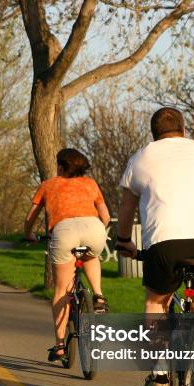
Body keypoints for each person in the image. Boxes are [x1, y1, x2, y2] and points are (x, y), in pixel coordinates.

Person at [115, 107, 194, 386]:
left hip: (166, 241)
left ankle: (160, 372)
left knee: (157, 302)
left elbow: (127, 206)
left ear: (153, 133)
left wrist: (124, 240)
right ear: (183, 128)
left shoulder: (142, 157)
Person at [24, 148, 111, 361]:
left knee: (62, 289)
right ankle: (98, 296)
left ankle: (60, 345)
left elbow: (30, 218)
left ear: (61, 167)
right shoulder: (90, 184)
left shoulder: (48, 185)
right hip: (94, 228)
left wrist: (29, 235)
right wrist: (98, 230)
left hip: (64, 232)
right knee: (91, 256)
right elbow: (106, 216)